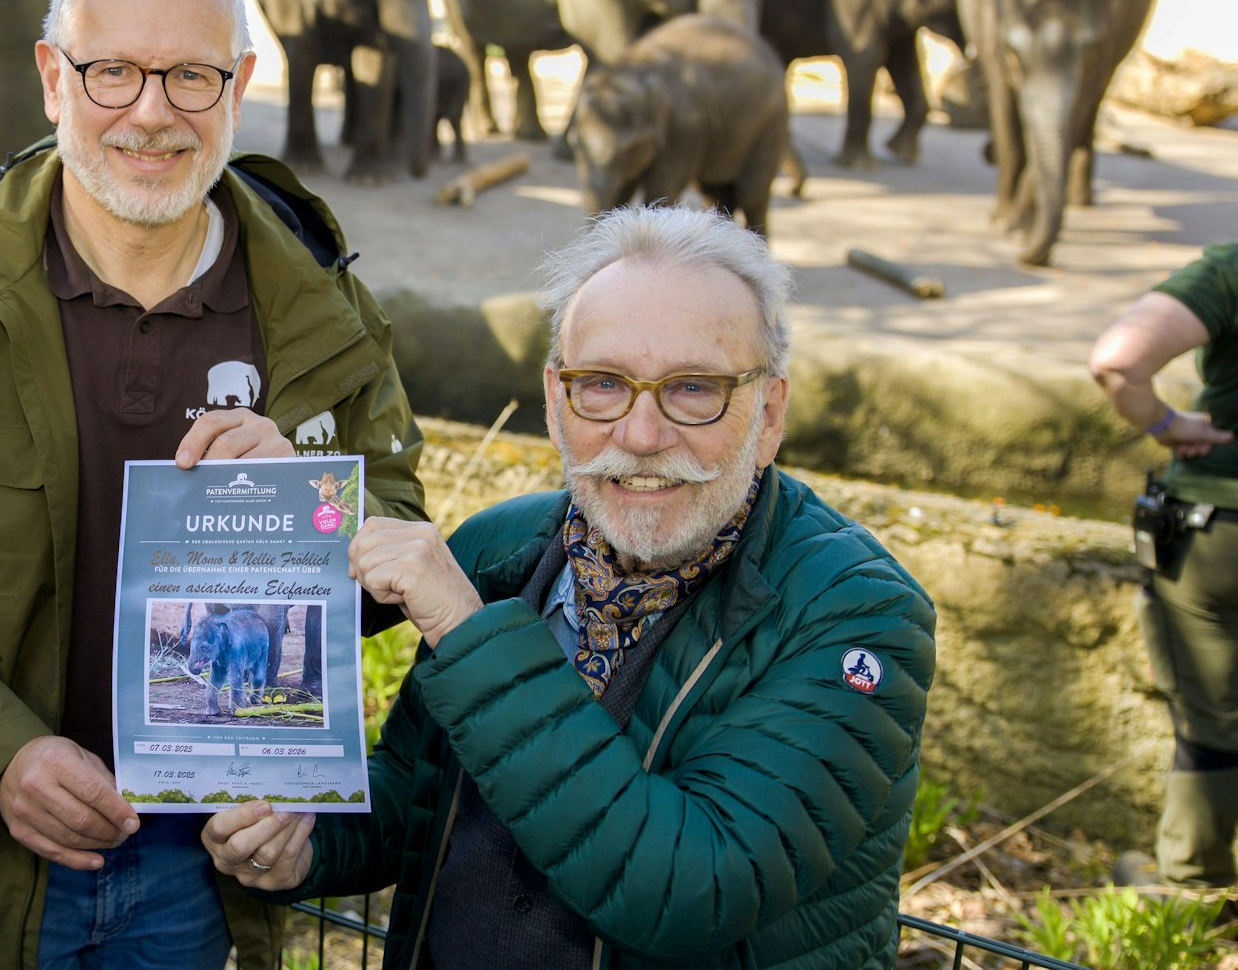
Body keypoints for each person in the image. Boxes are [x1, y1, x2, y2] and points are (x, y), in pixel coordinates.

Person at [0, 0, 427, 970]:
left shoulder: (325, 308)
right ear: (53, 78)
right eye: (112, 72)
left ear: (239, 82)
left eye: (189, 75)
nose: (149, 113)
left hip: (202, 871)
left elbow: (393, 556)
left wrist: (314, 507)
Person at [204, 206, 936, 969]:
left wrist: (467, 632)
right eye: (603, 384)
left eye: (694, 388)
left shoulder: (857, 614)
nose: (643, 433)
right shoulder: (501, 548)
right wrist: (305, 840)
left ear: (771, 411)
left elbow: (687, 887)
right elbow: (411, 793)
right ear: (555, 402)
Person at [1091, 243, 1238, 888]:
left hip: (1221, 532)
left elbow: (1119, 363)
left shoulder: (1230, 269)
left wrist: (1169, 423)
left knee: (1212, 716)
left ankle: (1190, 892)